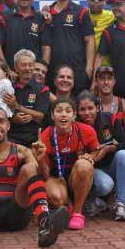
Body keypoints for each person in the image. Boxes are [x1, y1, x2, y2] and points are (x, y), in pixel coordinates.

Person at [0, 106, 69, 249]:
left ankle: (45, 224)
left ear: (8, 125)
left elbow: (44, 177)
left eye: (1, 121)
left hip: (17, 212)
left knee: (30, 168)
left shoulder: (21, 151)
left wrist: (40, 160)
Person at [35, 98, 98, 230]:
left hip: (77, 177)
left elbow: (97, 151)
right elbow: (45, 175)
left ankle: (77, 213)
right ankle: (65, 209)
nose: (63, 114)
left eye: (68, 111)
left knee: (84, 165)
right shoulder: (46, 135)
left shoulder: (86, 130)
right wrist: (40, 159)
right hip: (57, 178)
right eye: (59, 111)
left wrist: (90, 157)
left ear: (74, 115)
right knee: (55, 197)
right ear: (52, 116)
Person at [76, 91, 125, 221]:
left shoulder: (108, 119)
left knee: (124, 154)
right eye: (82, 109)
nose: (87, 113)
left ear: (97, 107)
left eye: (90, 108)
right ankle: (93, 201)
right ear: (77, 112)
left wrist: (109, 148)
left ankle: (120, 204)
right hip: (91, 171)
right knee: (105, 185)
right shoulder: (75, 126)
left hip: (111, 167)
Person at [45, 0, 95, 93]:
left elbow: (90, 40)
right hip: (54, 71)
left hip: (78, 70)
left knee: (79, 108)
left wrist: (89, 69)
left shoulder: (82, 12)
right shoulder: (47, 13)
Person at [0, 0, 50, 67]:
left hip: (33, 72)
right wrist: (6, 69)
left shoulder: (40, 18)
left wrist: (42, 68)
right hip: (11, 73)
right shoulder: (5, 16)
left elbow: (46, 47)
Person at [6, 49, 50, 148]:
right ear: (16, 68)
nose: (27, 68)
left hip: (34, 138)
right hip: (11, 136)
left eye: (30, 65)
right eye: (24, 65)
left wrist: (17, 106)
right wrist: (13, 119)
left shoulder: (42, 89)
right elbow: (1, 112)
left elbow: (40, 116)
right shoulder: (8, 87)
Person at [92, 66, 125, 138]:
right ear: (96, 81)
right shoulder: (91, 103)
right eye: (102, 79)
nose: (106, 82)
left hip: (121, 145)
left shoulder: (124, 104)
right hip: (97, 145)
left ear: (114, 82)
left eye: (109, 78)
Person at [86, 0, 115, 64]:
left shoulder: (112, 16)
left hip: (105, 66)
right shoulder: (81, 15)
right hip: (85, 63)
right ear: (88, 0)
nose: (96, 1)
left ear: (105, 1)